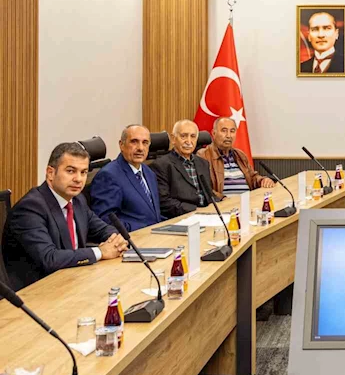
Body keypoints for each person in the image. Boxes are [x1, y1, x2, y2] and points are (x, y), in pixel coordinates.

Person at [2, 143, 128, 290]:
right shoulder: (30, 208)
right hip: (37, 291)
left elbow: (102, 229)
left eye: (83, 172)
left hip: (74, 281)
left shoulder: (77, 200)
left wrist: (116, 240)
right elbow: (49, 259)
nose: (78, 179)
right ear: (50, 173)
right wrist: (100, 252)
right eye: (70, 171)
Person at [90, 124, 164, 232]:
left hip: (155, 235)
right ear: (121, 145)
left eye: (145, 142)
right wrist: (144, 230)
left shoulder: (149, 172)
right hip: (133, 238)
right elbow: (106, 221)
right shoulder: (108, 175)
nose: (140, 148)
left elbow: (153, 216)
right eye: (134, 142)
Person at [151, 119, 216, 219]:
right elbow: (164, 202)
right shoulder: (161, 165)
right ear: (173, 139)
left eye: (193, 136)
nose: (189, 141)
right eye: (183, 136)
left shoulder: (203, 163)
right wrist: (196, 210)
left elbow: (208, 194)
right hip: (181, 217)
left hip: (207, 215)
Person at [197, 117, 274, 198]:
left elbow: (252, 178)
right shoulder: (204, 155)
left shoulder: (240, 155)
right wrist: (222, 199)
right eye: (224, 131)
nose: (228, 135)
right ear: (214, 133)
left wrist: (263, 180)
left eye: (232, 131)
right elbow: (204, 188)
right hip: (224, 203)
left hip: (248, 201)